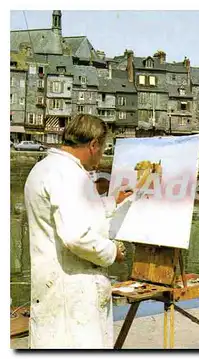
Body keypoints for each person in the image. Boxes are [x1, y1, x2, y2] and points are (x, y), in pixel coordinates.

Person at [24, 114, 133, 349]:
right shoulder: (69, 175)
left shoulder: (45, 168)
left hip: (54, 285)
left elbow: (77, 213)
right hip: (73, 292)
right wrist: (112, 252)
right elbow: (76, 235)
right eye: (102, 148)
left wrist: (113, 202)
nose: (102, 155)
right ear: (93, 145)